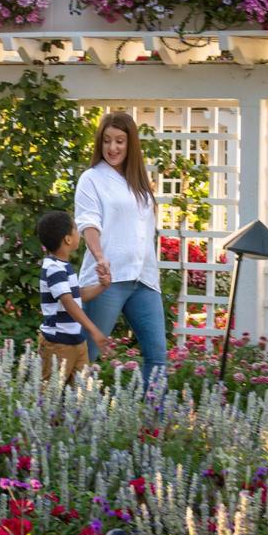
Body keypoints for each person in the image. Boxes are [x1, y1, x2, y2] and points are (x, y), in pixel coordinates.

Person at [73, 111, 168, 386]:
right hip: (108, 281)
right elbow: (88, 222)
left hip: (145, 279)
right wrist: (100, 258)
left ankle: (154, 425)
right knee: (87, 354)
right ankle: (65, 418)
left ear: (131, 144)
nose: (112, 148)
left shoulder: (139, 182)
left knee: (157, 356)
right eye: (107, 141)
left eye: (119, 141)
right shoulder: (92, 178)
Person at [36, 210, 109, 385]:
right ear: (68, 239)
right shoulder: (53, 268)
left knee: (81, 395)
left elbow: (78, 295)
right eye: (76, 229)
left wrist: (102, 285)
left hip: (77, 342)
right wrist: (94, 330)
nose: (80, 234)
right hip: (58, 344)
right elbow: (68, 302)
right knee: (50, 396)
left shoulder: (63, 266)